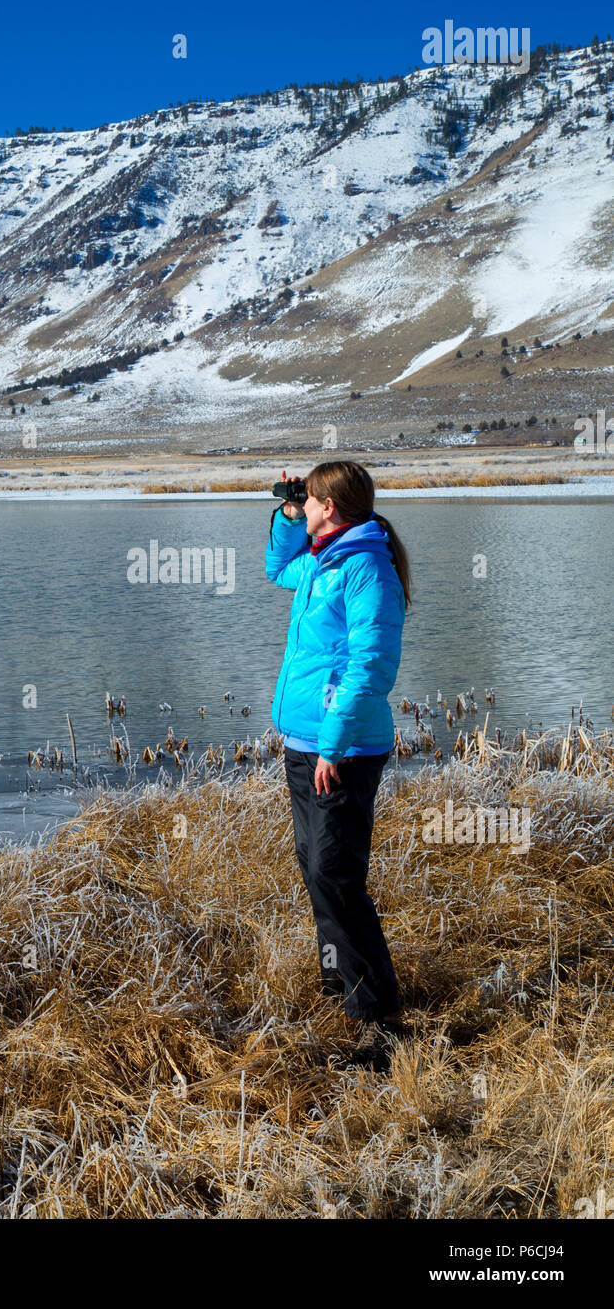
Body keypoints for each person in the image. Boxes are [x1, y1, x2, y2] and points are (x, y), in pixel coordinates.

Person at [265, 459, 411, 1071]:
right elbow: (279, 570)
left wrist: (332, 746)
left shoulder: (367, 566)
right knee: (314, 866)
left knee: (335, 873)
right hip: (305, 741)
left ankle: (382, 1024)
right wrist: (285, 516)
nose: (307, 503)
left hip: (342, 749)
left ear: (335, 505)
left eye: (312, 498)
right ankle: (341, 983)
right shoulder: (323, 558)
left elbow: (370, 666)